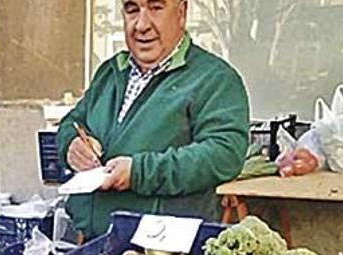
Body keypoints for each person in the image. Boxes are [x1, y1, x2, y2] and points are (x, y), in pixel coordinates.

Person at [57, 0, 250, 239]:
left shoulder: (214, 79)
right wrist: (71, 145)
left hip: (161, 253)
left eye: (156, 8)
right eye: (132, 9)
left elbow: (224, 154)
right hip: (88, 243)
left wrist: (139, 172)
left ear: (181, 13)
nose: (141, 25)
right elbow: (72, 122)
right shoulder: (110, 72)